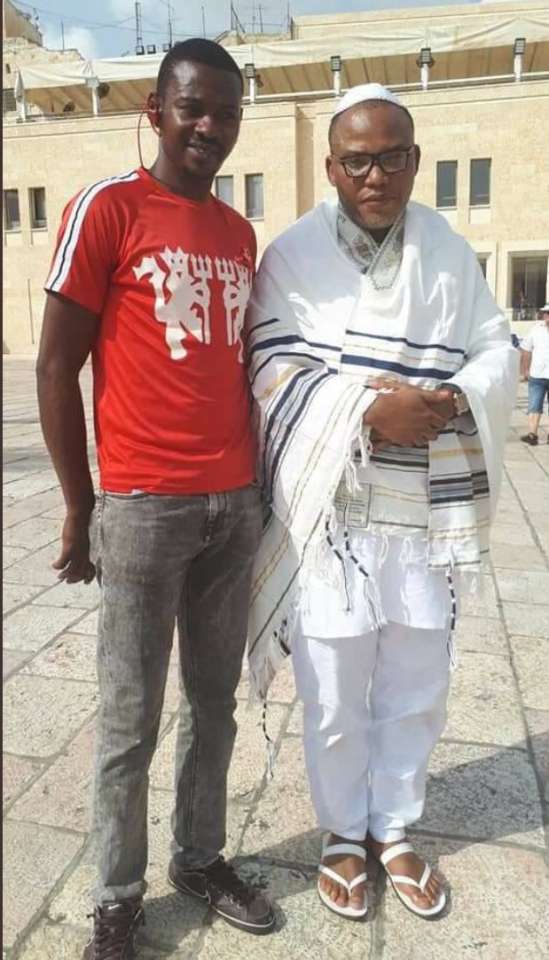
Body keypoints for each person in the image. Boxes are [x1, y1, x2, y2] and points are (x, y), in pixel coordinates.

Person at [245, 84, 518, 921]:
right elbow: (270, 364)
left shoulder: (446, 248)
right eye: (356, 159)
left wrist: (452, 400)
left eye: (391, 156)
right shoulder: (291, 254)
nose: (375, 174)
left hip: (421, 513)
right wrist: (367, 410)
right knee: (330, 683)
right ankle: (340, 832)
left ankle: (394, 826)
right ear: (330, 166)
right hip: (333, 512)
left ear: (415, 160)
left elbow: (493, 346)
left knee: (415, 680)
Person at [36, 39, 275, 960]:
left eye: (226, 111)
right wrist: (77, 504)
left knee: (213, 705)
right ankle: (116, 897)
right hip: (141, 506)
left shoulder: (237, 233)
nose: (210, 127)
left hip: (231, 503)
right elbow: (57, 366)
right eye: (193, 108)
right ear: (155, 109)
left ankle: (200, 857)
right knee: (130, 715)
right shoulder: (108, 208)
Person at [519, 303, 549, 445]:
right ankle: (532, 435)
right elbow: (526, 350)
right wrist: (525, 370)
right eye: (545, 313)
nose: (547, 315)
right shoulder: (536, 330)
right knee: (534, 406)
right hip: (537, 375)